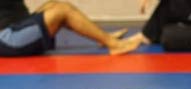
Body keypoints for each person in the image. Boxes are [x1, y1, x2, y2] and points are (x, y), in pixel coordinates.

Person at [0, 0, 137, 56]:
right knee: (62, 11)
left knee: (55, 4)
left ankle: (103, 37)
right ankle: (113, 44)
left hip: (19, 25)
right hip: (7, 38)